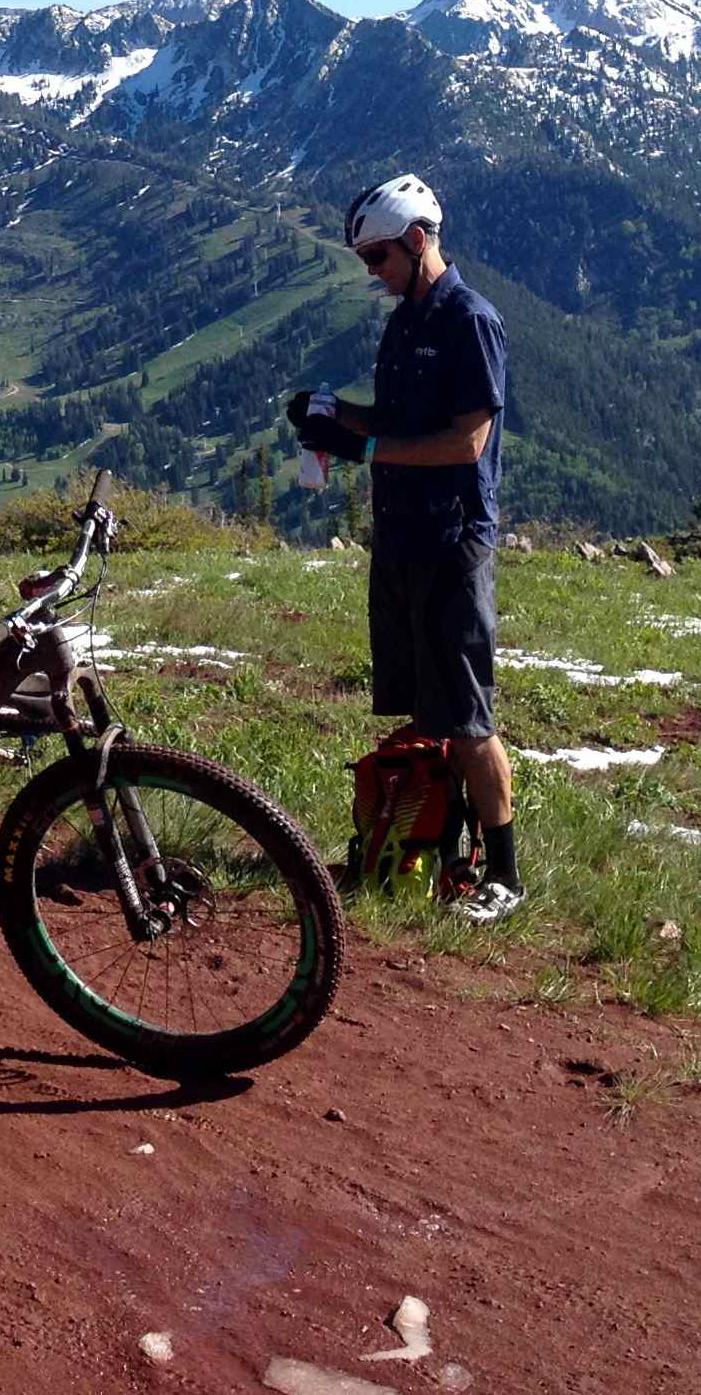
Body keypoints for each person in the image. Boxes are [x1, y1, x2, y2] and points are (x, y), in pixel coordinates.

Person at [288, 173, 524, 923]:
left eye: (378, 257)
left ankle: (506, 875)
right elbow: (388, 423)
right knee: (424, 708)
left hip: (452, 539)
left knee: (467, 713)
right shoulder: (406, 319)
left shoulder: (469, 321)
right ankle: (425, 848)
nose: (371, 273)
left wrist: (365, 451)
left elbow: (466, 442)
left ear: (418, 242)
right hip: (399, 537)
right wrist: (332, 419)